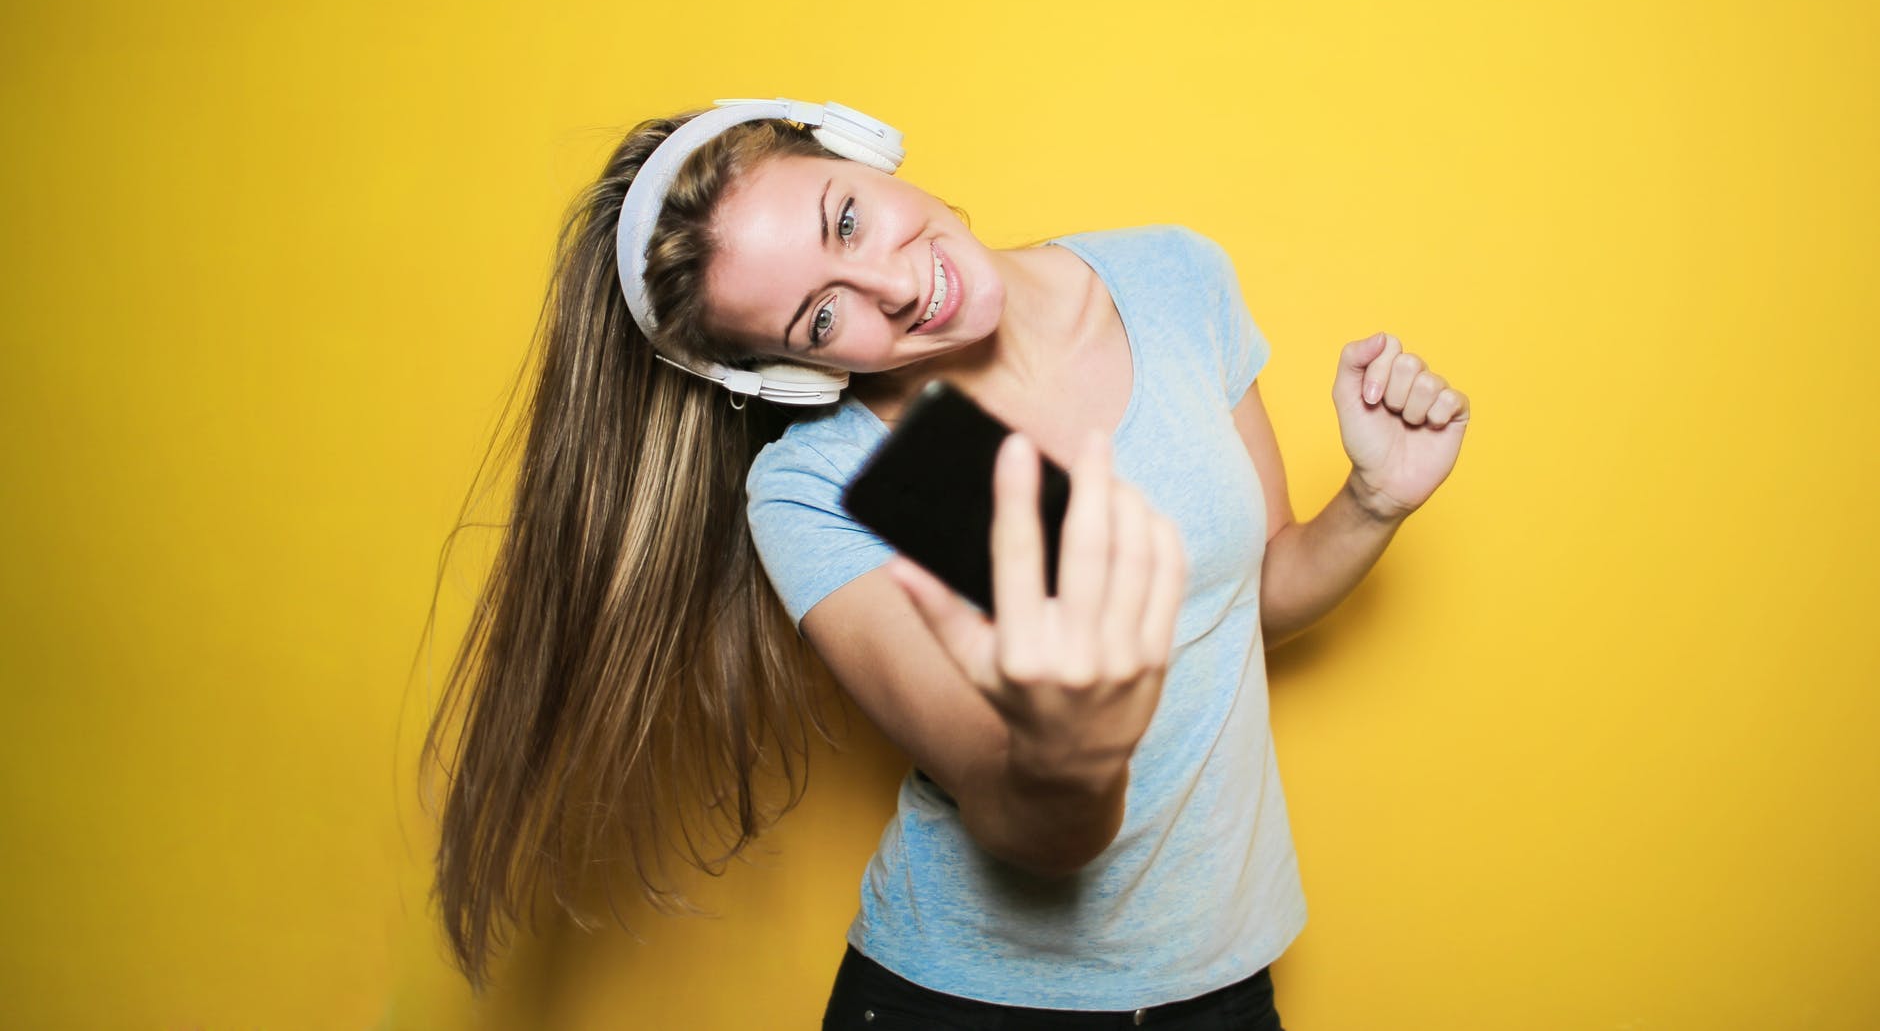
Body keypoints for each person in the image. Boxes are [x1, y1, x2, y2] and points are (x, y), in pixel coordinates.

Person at [420, 99, 1471, 1027]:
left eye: (845, 218)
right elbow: (1027, 824)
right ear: (790, 371)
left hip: (1220, 983)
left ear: (863, 150)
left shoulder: (1170, 275)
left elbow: (1255, 592)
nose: (887, 282)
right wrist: (1067, 753)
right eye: (819, 314)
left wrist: (1371, 500)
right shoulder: (827, 481)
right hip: (967, 1003)